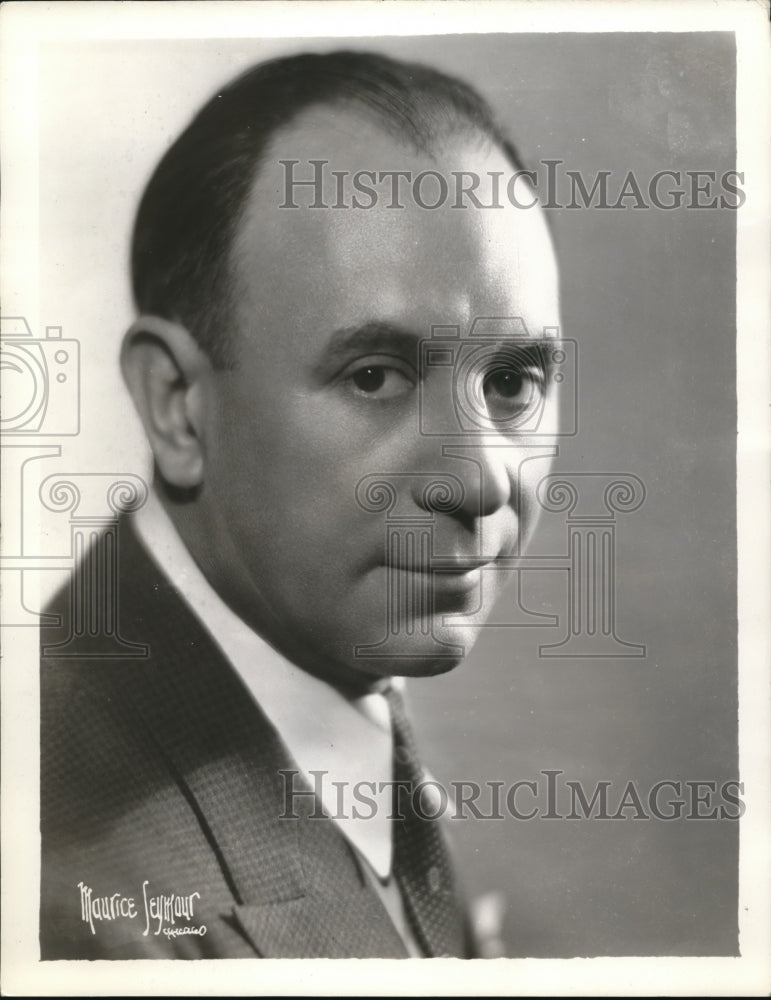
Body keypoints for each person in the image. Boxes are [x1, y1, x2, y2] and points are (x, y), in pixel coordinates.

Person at [39, 49, 561, 959]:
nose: (480, 482)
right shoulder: (84, 903)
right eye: (374, 376)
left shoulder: (321, 672)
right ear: (177, 406)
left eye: (514, 380)